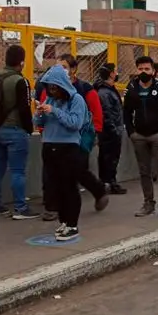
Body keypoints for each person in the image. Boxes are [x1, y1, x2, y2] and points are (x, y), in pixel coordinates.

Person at [39, 55, 109, 220]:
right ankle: (52, 206)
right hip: (53, 140)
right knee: (51, 173)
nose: (60, 70)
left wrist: (96, 134)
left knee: (77, 171)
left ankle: (97, 191)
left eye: (64, 66)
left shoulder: (84, 89)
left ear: (73, 69)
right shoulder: (49, 90)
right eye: (57, 66)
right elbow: (44, 111)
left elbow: (95, 112)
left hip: (79, 138)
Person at [34, 65, 88, 241]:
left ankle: (73, 224)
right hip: (50, 146)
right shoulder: (50, 100)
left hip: (68, 148)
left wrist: (55, 111)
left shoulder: (76, 100)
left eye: (55, 87)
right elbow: (39, 122)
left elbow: (75, 123)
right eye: (49, 87)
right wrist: (40, 112)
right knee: (56, 187)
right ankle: (64, 221)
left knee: (69, 187)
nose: (52, 91)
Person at [123, 56, 158, 219]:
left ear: (153, 71)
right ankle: (148, 203)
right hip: (138, 135)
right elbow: (125, 112)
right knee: (144, 171)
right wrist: (131, 132)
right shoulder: (131, 87)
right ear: (137, 70)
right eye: (140, 69)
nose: (144, 72)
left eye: (147, 69)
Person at [0, 44, 38, 218]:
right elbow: (24, 109)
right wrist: (29, 129)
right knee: (17, 170)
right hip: (14, 129)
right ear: (22, 62)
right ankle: (20, 208)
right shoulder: (20, 81)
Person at [94, 63, 127, 195]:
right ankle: (109, 183)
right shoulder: (104, 92)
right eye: (115, 71)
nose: (117, 73)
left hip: (112, 130)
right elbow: (107, 114)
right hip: (110, 132)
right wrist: (114, 131)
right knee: (109, 158)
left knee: (109, 158)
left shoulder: (109, 90)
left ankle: (107, 182)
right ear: (111, 74)